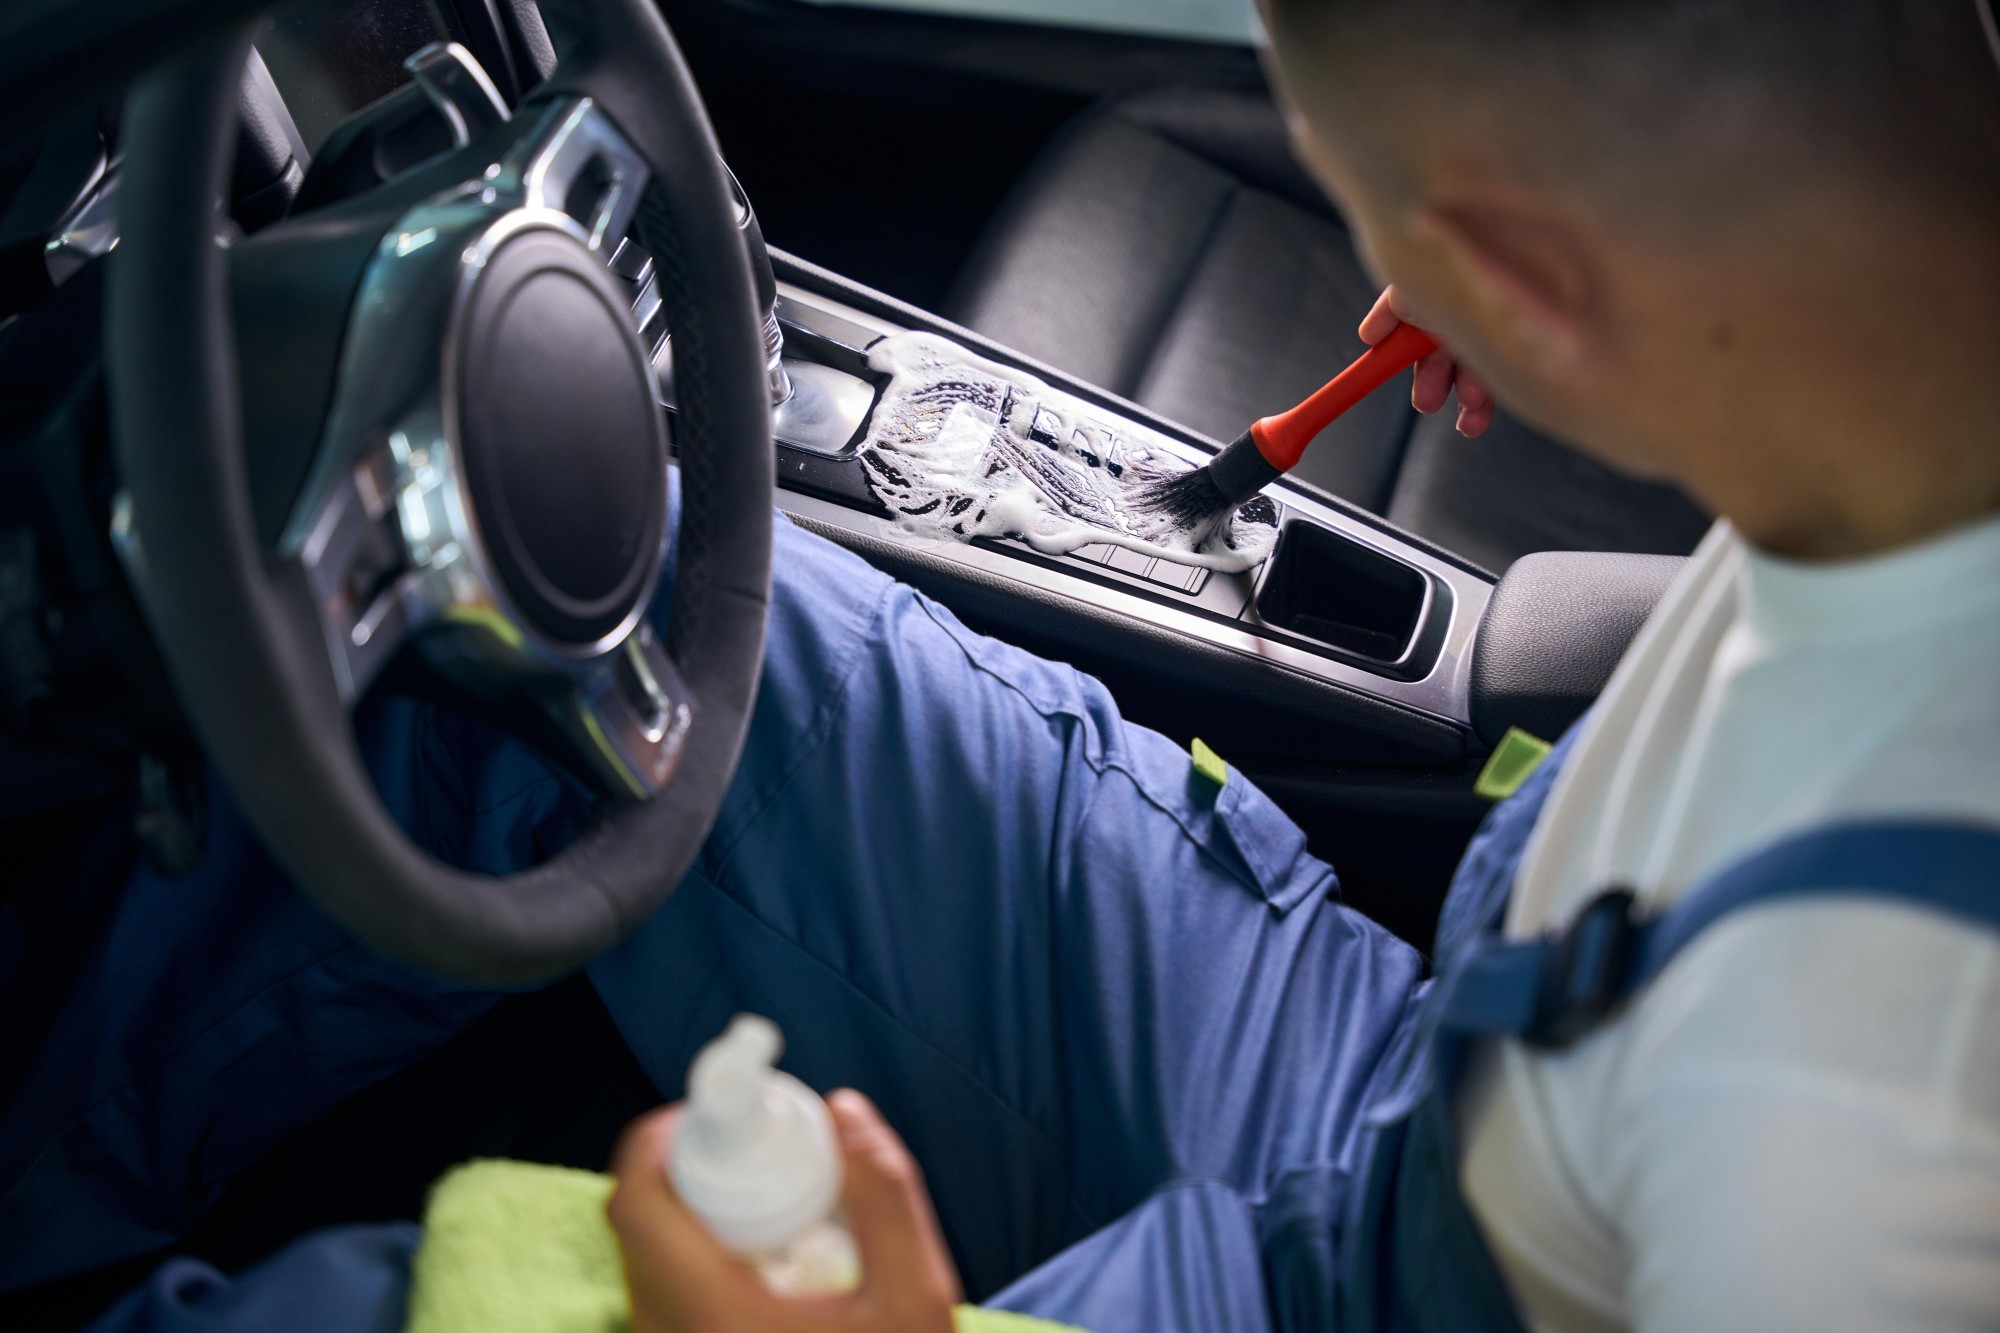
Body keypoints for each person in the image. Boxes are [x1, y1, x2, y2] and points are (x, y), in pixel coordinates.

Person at [7, 0, 1999, 1329]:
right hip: (1430, 1084)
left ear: (1534, 284)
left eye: (1384, 212)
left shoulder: (1845, 1161)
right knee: (637, 621)